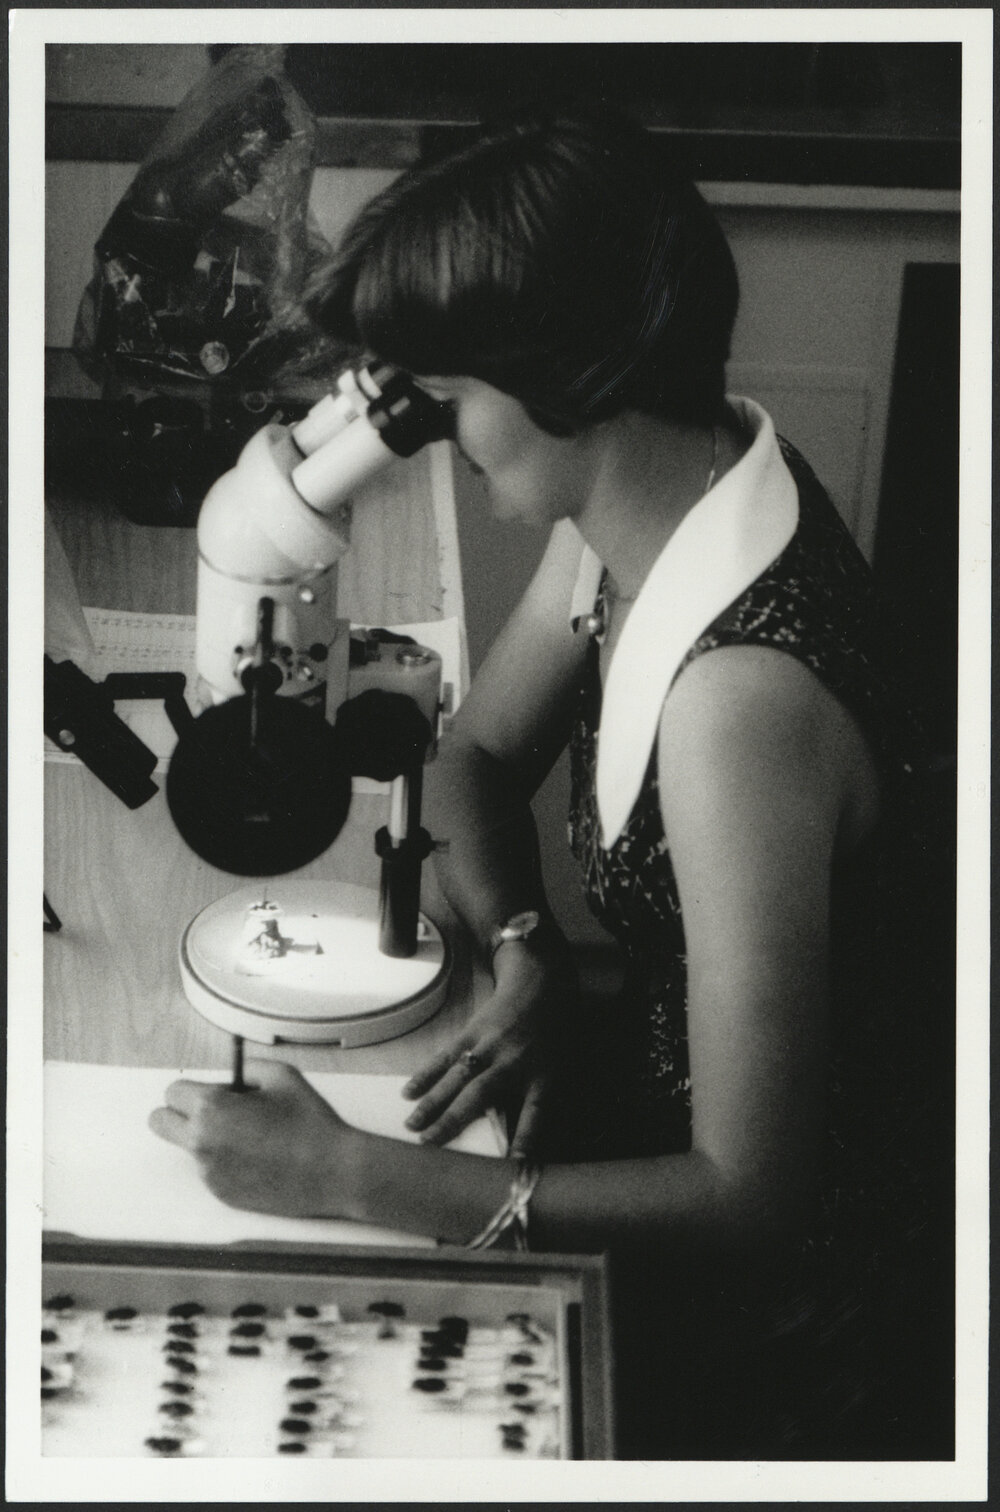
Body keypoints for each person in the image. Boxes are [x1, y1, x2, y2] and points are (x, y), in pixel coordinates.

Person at [150, 110, 953, 1459]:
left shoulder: (735, 707)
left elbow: (753, 1197)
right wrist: (520, 943)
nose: (441, 441)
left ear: (577, 377)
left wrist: (357, 1178)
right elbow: (468, 757)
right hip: (629, 1102)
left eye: (451, 400)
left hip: (787, 1326)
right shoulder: (666, 493)